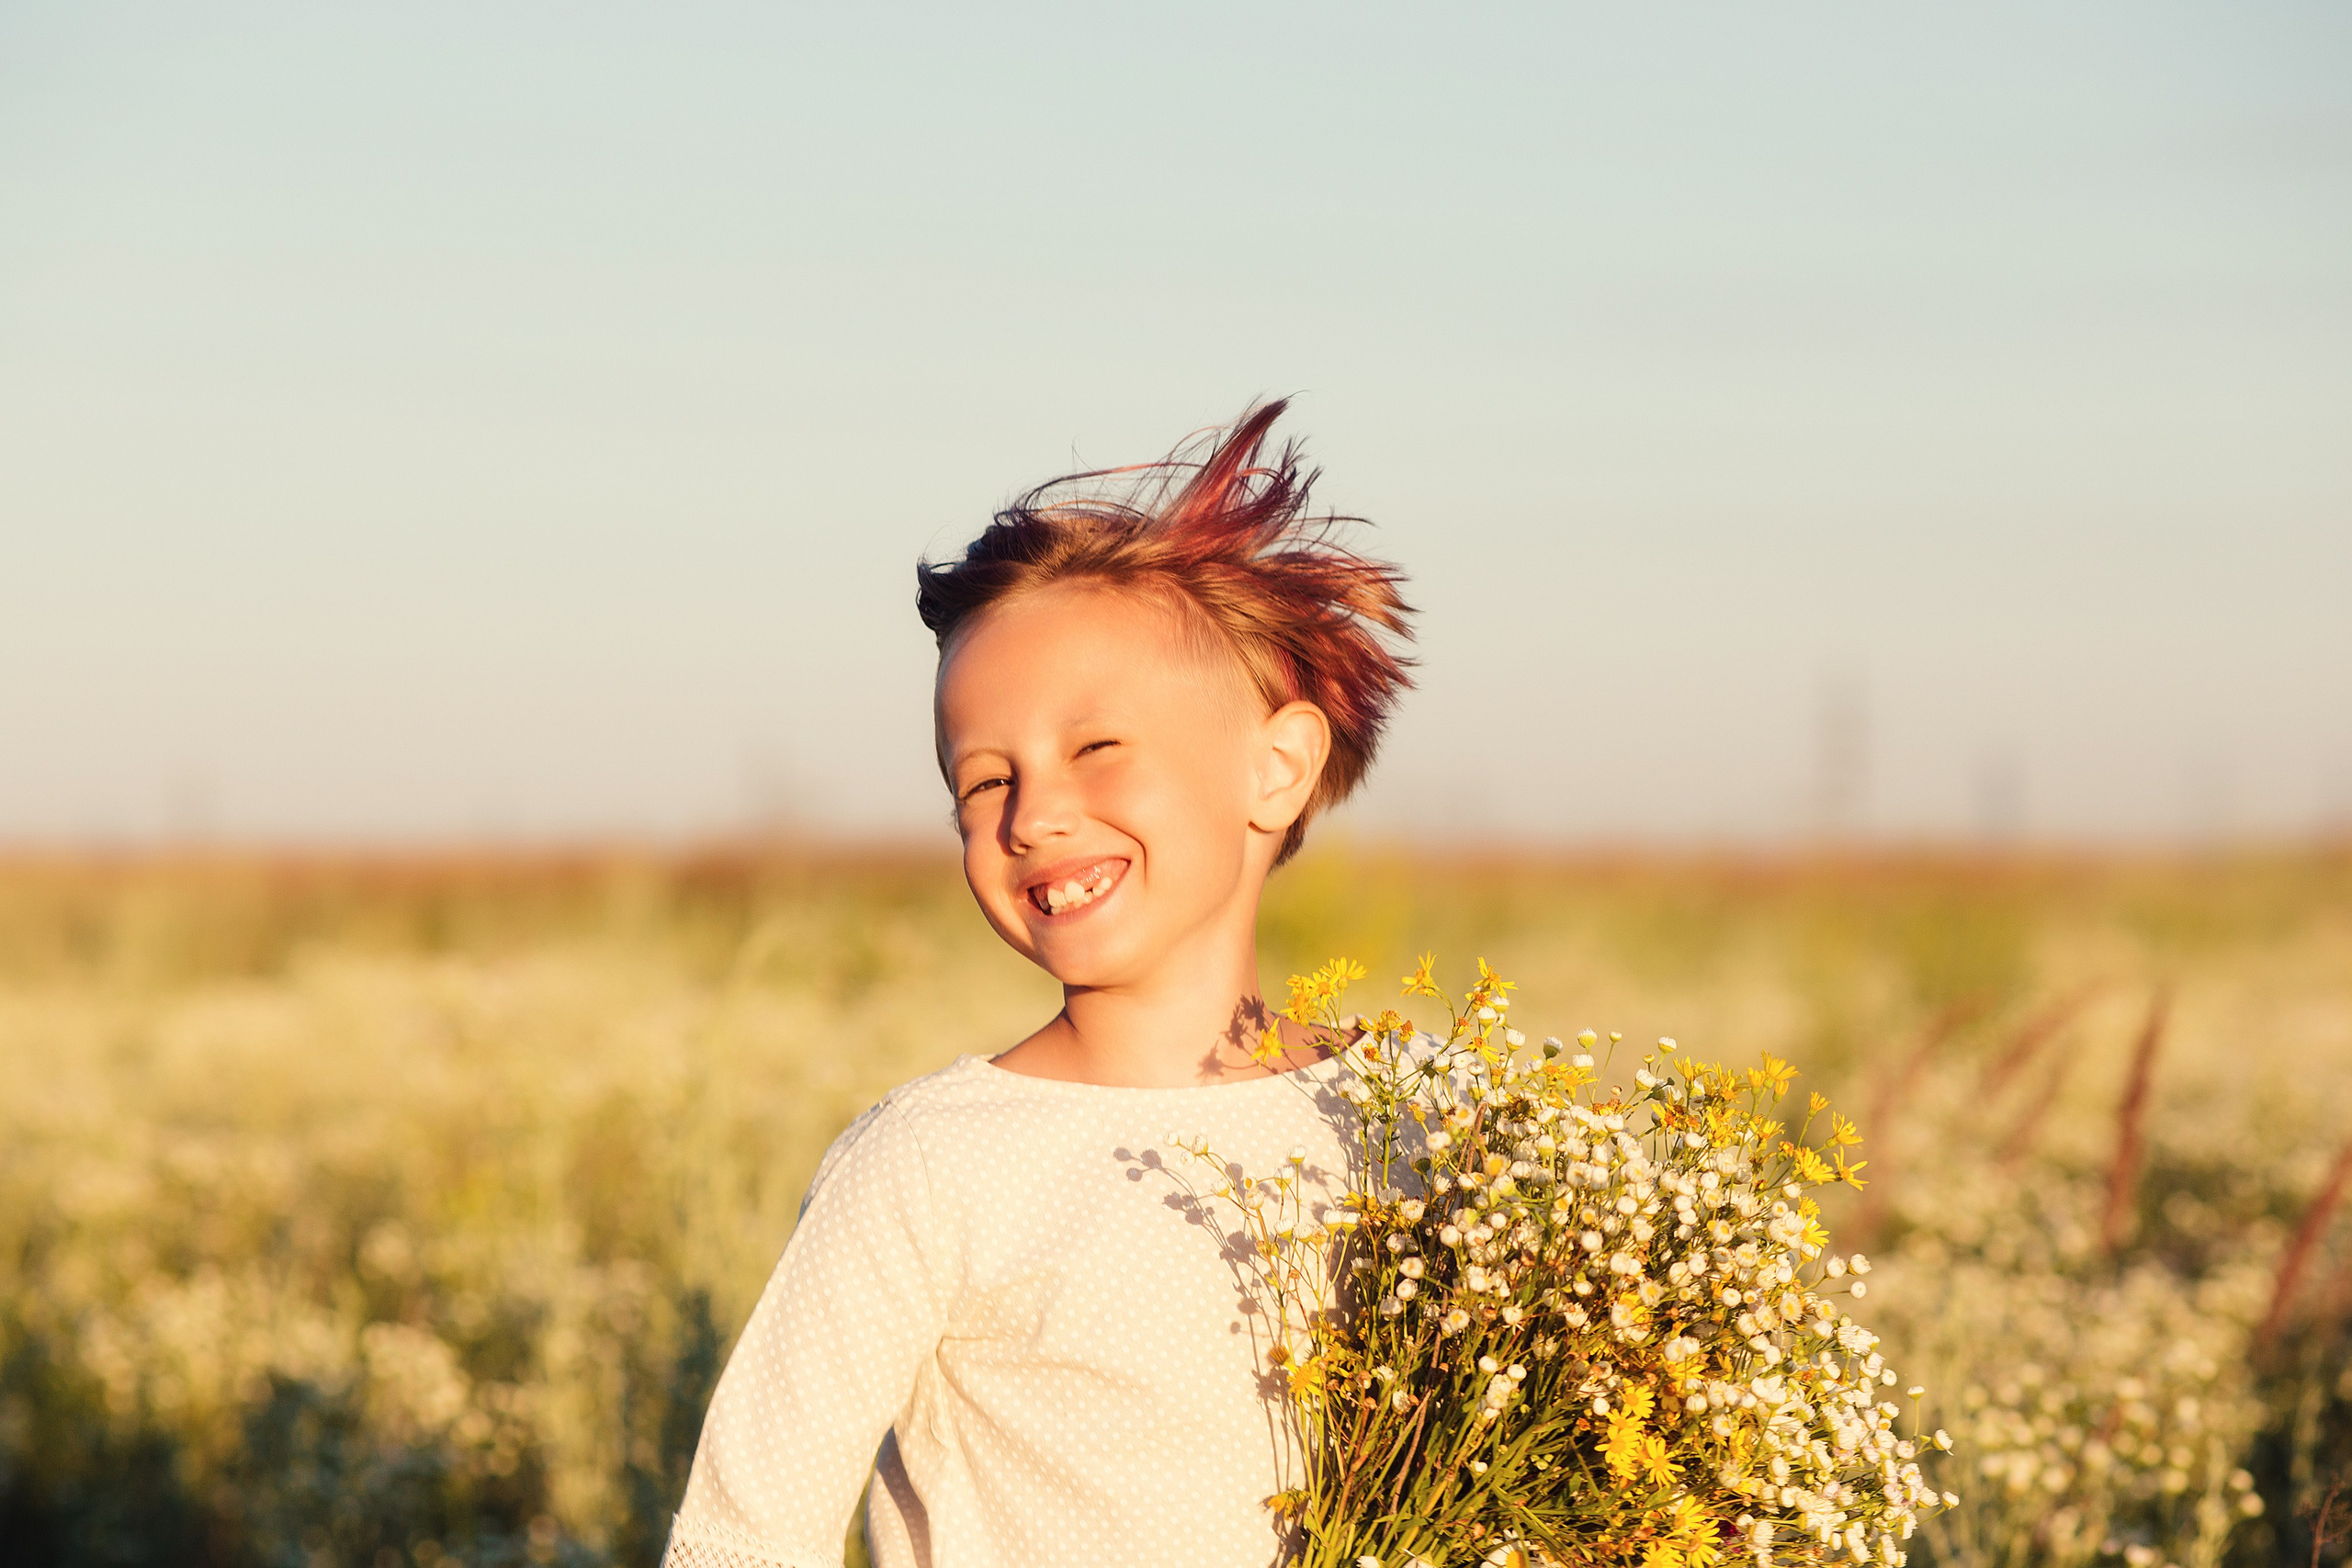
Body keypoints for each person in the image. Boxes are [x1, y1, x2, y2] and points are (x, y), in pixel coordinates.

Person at [662, 401, 1414, 1568]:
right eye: (981, 782)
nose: (1034, 815)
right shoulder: (934, 1160)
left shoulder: (1431, 1124)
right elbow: (745, 1538)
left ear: (1276, 770)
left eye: (1096, 748)